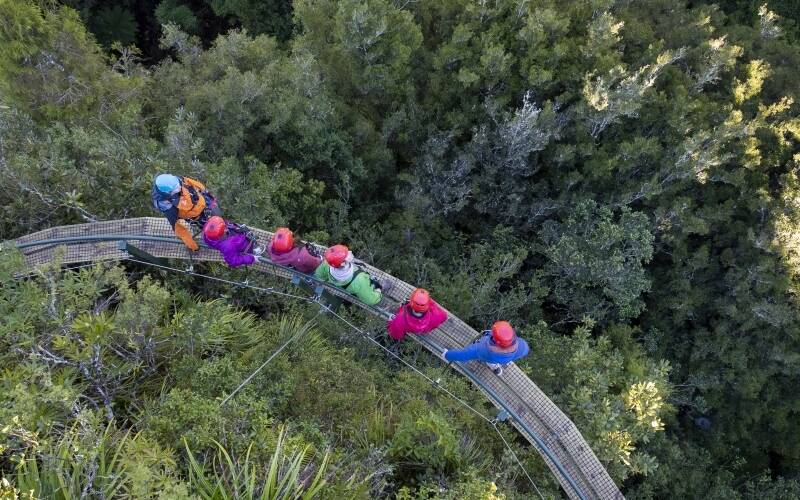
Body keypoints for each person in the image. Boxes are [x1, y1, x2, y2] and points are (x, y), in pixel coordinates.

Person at [151, 173, 221, 251]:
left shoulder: (175, 180)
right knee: (213, 233)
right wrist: (191, 244)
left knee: (220, 221)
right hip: (198, 218)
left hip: (206, 203)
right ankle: (220, 243)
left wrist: (206, 192)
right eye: (176, 188)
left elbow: (192, 183)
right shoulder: (166, 205)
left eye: (178, 184)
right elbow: (178, 227)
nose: (179, 187)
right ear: (168, 192)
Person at [442, 321, 529, 376]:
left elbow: (463, 355)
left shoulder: (481, 349)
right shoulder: (522, 346)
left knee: (489, 360)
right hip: (505, 357)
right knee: (494, 361)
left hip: (488, 356)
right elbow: (526, 349)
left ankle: (494, 365)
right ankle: (496, 368)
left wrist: (447, 355)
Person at [314, 244, 388, 306]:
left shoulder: (327, 263)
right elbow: (371, 300)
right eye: (346, 256)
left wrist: (331, 281)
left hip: (343, 287)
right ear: (343, 263)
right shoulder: (359, 280)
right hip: (357, 286)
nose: (349, 253)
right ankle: (380, 287)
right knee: (375, 285)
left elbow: (319, 275)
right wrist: (379, 290)